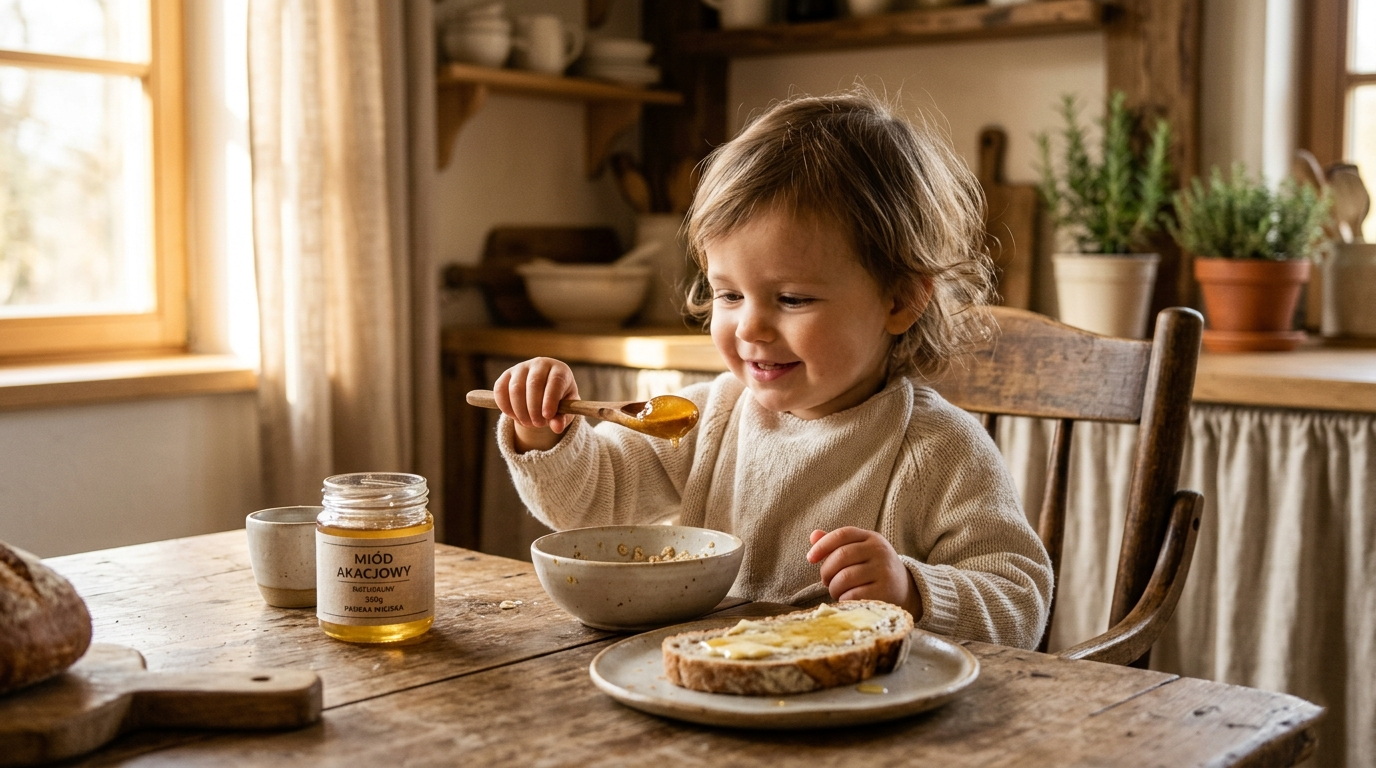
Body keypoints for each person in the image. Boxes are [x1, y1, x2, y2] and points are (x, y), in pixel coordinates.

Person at [487, 88, 1053, 649]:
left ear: (900, 300)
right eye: (728, 295)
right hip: (712, 682)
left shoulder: (939, 449)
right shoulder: (702, 417)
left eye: (792, 299)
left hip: (861, 713)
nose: (749, 329)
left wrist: (914, 591)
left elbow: (1020, 601)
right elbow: (590, 506)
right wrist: (543, 432)